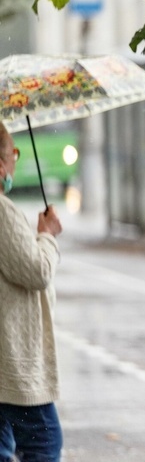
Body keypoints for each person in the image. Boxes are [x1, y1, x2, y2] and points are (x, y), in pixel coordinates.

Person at [0, 123, 64, 462]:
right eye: (14, 154)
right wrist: (48, 234)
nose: (14, 164)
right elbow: (36, 272)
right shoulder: (2, 210)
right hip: (12, 363)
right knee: (43, 443)